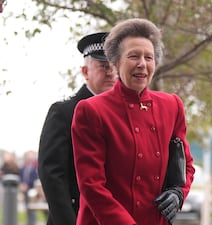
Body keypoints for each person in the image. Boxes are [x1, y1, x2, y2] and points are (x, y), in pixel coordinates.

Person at [71, 18, 195, 225]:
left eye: (149, 57)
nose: (142, 64)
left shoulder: (172, 105)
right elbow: (91, 185)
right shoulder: (91, 110)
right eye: (133, 56)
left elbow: (186, 165)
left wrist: (179, 192)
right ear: (116, 62)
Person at [38, 32, 116, 225]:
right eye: (103, 66)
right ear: (85, 71)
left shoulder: (121, 114)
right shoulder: (63, 112)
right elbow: (52, 175)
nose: (111, 73)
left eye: (114, 67)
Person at [19, 150, 39, 225]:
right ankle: (29, 222)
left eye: (31, 155)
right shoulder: (23, 167)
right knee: (27, 207)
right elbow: (21, 176)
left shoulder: (35, 167)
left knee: (33, 208)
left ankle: (32, 222)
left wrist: (28, 185)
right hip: (24, 190)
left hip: (32, 190)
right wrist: (22, 184)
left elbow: (36, 178)